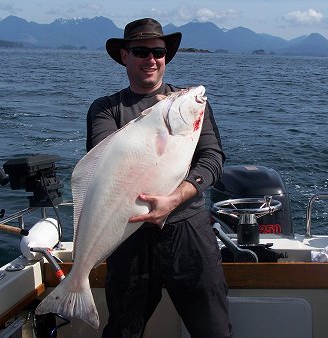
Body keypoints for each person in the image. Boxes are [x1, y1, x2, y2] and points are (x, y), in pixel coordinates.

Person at [86, 18, 233, 338]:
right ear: (124, 56)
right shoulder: (106, 109)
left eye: (159, 52)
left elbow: (212, 159)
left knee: (214, 330)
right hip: (130, 234)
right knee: (124, 330)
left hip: (189, 231)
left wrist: (175, 198)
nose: (150, 59)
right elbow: (106, 161)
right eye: (140, 51)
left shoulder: (191, 105)